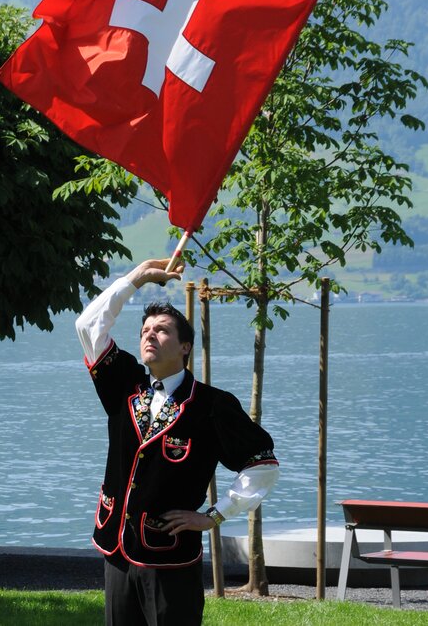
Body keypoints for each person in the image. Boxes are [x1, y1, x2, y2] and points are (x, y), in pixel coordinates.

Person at [75, 258, 279, 626]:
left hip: (169, 557)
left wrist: (214, 516)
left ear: (185, 347)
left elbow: (262, 463)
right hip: (116, 550)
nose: (149, 335)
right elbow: (87, 325)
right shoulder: (124, 384)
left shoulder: (212, 404)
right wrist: (135, 279)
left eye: (162, 330)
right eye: (145, 330)